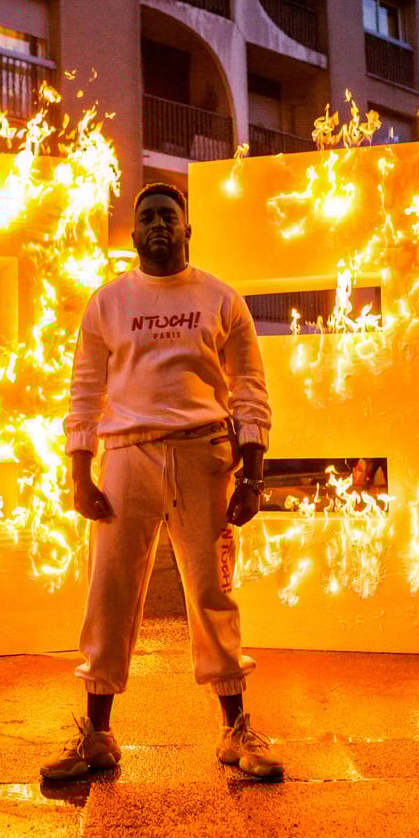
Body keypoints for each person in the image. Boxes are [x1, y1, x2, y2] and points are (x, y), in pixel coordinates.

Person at [40, 182, 282, 781]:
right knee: (109, 593)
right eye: (147, 216)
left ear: (186, 229)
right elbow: (84, 392)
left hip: (205, 455)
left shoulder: (221, 298)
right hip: (127, 457)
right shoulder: (108, 302)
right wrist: (79, 472)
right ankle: (97, 734)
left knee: (213, 592)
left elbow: (249, 388)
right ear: (133, 234)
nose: (158, 224)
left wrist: (252, 476)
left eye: (168, 216)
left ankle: (236, 730)